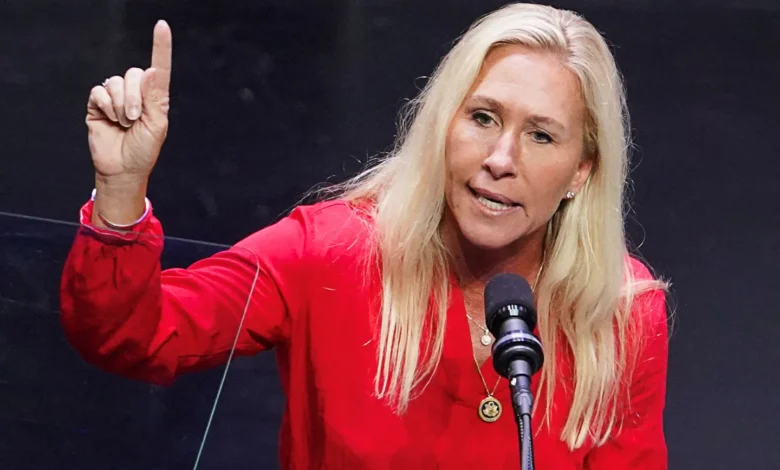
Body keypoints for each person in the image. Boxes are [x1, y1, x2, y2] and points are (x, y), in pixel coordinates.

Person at [60, 3, 669, 469]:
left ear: (580, 171)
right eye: (483, 118)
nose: (500, 159)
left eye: (541, 135)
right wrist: (121, 188)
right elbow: (133, 336)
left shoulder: (620, 312)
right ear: (443, 124)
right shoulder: (329, 252)